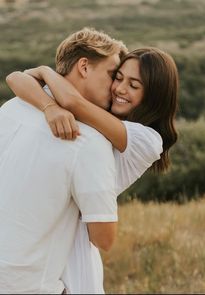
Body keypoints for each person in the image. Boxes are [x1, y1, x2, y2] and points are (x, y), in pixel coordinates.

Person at [6, 45, 179, 293]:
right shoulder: (104, 117)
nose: (120, 89)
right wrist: (48, 105)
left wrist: (45, 72)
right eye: (118, 77)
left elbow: (71, 101)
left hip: (75, 242)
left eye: (134, 85)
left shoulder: (147, 140)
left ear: (154, 96)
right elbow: (15, 78)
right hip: (52, 234)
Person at [0, 27, 128, 294]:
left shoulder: (11, 108)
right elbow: (104, 238)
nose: (116, 86)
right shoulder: (89, 141)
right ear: (84, 66)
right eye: (112, 74)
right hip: (28, 287)